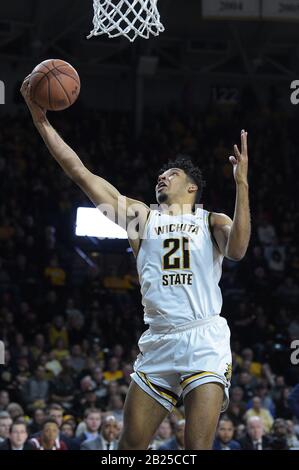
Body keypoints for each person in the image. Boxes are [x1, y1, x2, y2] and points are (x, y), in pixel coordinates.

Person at [21, 78, 250, 450]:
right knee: (128, 450)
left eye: (172, 174)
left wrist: (242, 185)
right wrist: (41, 120)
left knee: (196, 448)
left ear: (192, 188)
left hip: (204, 338)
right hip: (158, 341)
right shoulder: (141, 219)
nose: (163, 176)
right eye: (161, 173)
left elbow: (238, 249)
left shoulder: (212, 221)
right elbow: (81, 173)